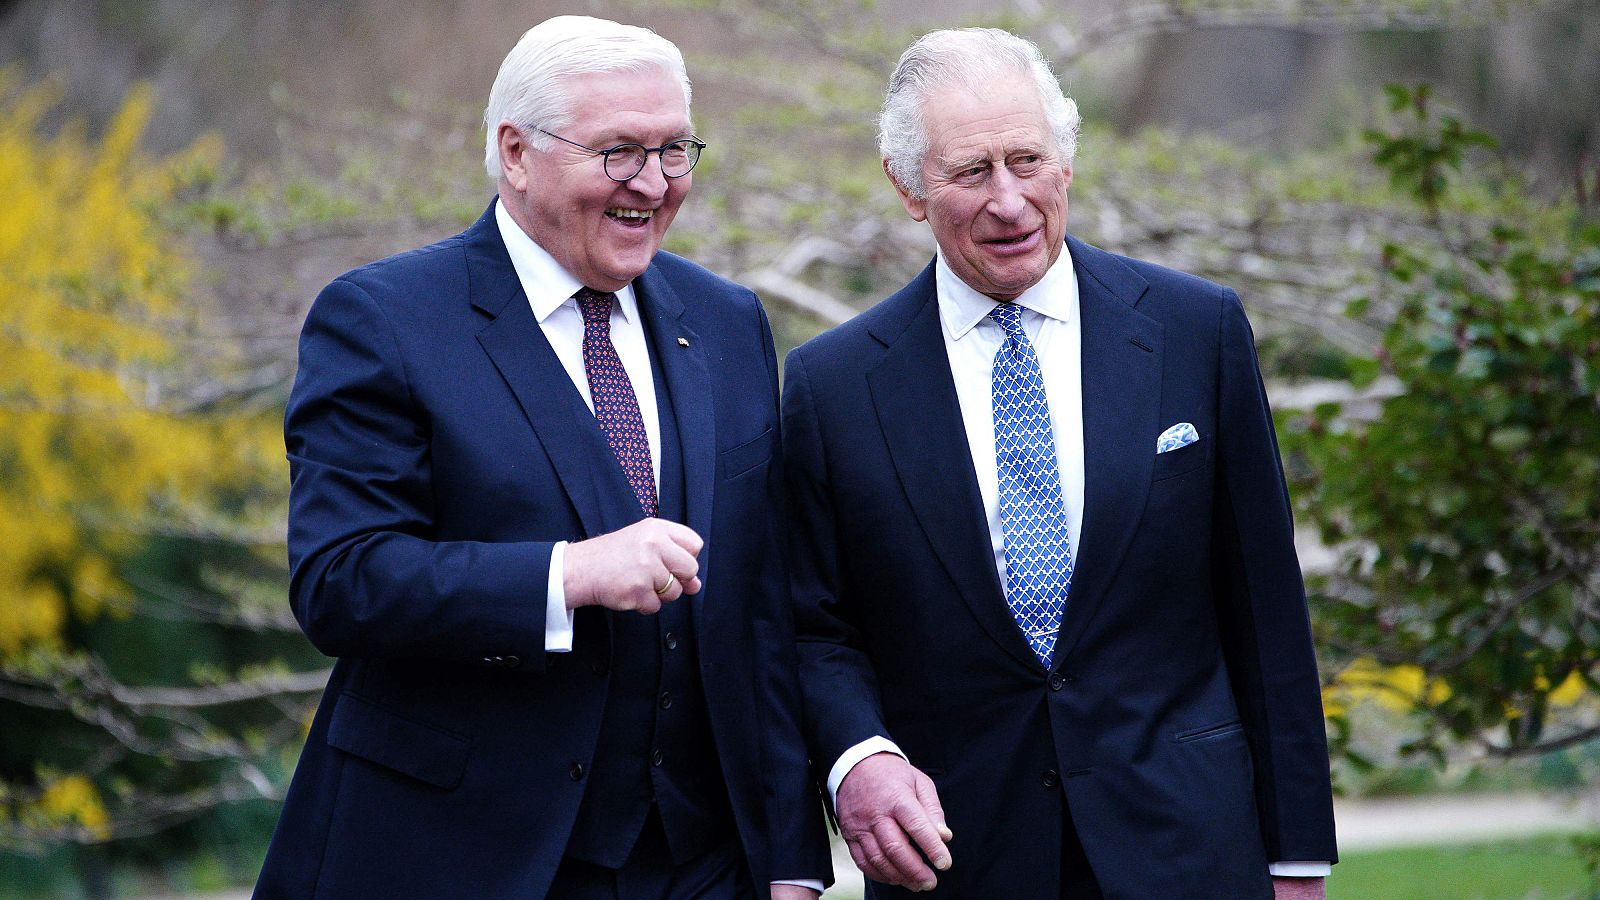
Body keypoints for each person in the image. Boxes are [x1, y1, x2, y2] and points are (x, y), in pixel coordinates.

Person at [254, 16, 828, 900]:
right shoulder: (384, 320)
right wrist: (565, 576)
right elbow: (340, 580)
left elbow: (762, 609)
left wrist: (792, 855)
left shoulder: (728, 321)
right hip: (461, 858)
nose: (653, 183)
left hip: (704, 863)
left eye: (676, 150)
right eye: (619, 151)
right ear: (515, 153)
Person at [782, 27, 1338, 899]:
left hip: (1190, 849)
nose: (1010, 201)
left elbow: (1264, 603)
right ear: (907, 187)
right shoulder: (831, 385)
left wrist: (1298, 858)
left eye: (1028, 160)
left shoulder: (1197, 332)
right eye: (971, 172)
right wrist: (860, 758)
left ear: (1067, 161)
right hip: (964, 861)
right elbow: (815, 628)